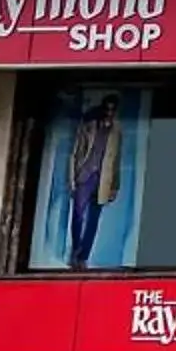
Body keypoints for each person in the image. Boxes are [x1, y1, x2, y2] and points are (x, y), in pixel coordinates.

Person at [60, 93, 125, 269]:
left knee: (93, 220)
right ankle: (75, 250)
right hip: (85, 176)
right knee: (78, 215)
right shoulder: (89, 126)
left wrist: (115, 187)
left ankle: (83, 257)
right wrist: (71, 179)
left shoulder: (117, 132)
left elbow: (116, 161)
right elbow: (75, 153)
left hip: (103, 179)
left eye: (112, 110)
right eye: (107, 108)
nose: (109, 113)